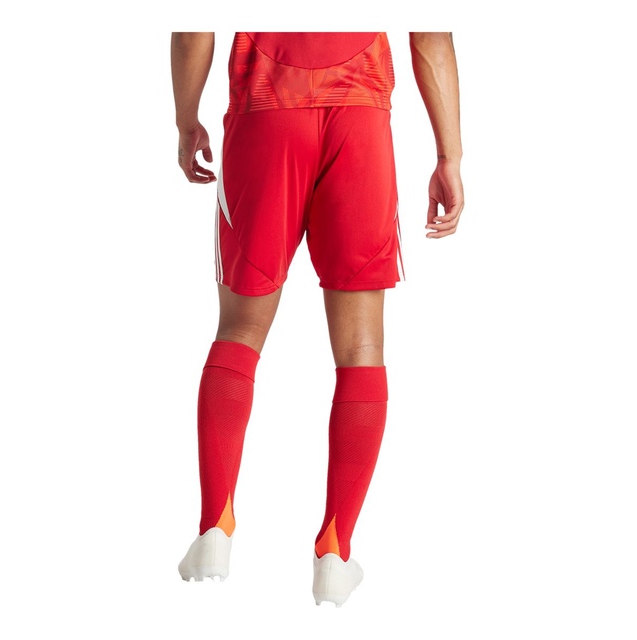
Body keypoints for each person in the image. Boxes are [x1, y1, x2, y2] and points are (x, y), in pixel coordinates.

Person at [171, 31, 464, 607]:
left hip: (266, 112)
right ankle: (335, 550)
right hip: (360, 118)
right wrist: (448, 155)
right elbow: (431, 37)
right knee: (361, 348)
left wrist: (186, 121)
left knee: (240, 331)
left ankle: (213, 529)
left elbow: (192, 26)